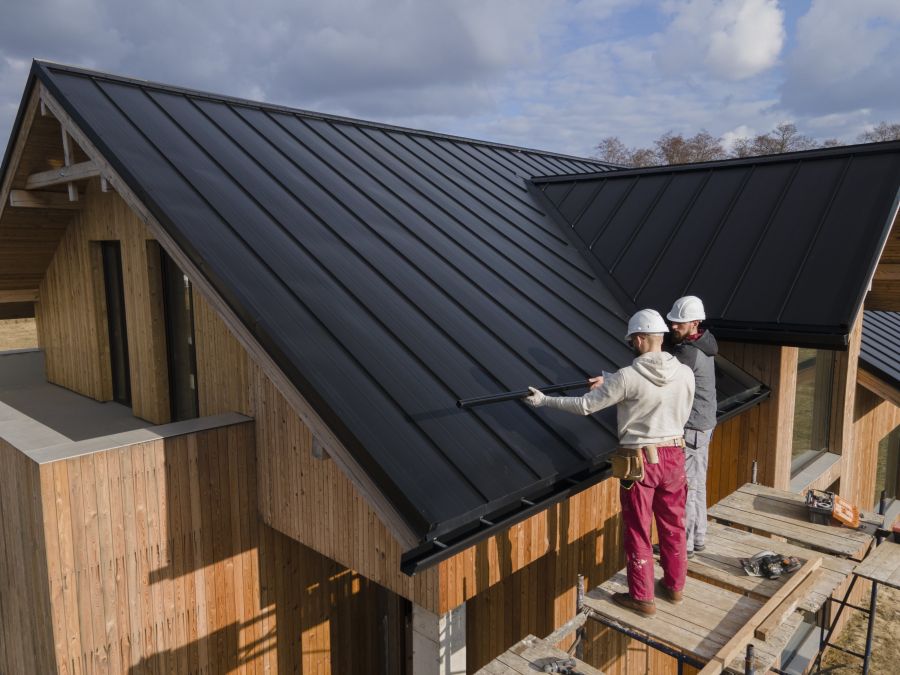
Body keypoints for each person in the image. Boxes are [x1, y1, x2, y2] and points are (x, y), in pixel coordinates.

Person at [524, 309, 694, 616]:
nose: (631, 344)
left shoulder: (629, 377)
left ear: (641, 339)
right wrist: (612, 381)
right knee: (673, 525)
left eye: (632, 340)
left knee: (639, 529)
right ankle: (675, 586)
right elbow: (658, 393)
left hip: (641, 460)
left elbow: (587, 405)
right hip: (675, 456)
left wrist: (544, 401)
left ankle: (642, 597)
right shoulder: (684, 372)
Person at [666, 296, 717, 559]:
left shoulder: (688, 353)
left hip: (694, 427)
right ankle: (697, 539)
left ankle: (683, 547)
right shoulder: (703, 344)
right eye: (672, 321)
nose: (673, 326)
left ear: (695, 323)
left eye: (679, 322)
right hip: (702, 424)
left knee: (687, 487)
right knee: (697, 484)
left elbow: (662, 376)